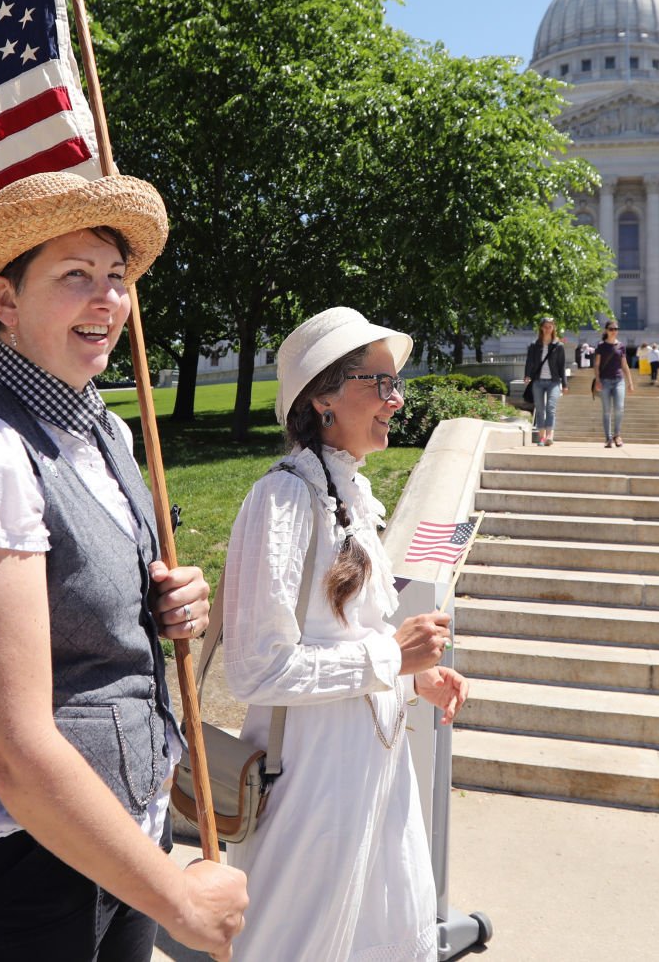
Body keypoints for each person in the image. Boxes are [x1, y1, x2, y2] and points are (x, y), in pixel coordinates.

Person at [0, 172, 247, 962]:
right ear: (4, 303)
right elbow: (5, 746)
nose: (107, 300)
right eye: (76, 276)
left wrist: (167, 604)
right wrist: (177, 899)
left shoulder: (102, 430)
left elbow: (85, 599)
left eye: (117, 279)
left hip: (113, 845)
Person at [220, 307, 469, 961]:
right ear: (323, 397)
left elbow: (344, 637)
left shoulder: (348, 496)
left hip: (373, 781)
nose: (398, 398)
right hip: (312, 789)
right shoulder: (282, 498)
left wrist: (416, 678)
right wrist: (392, 653)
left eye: (397, 383)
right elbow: (257, 669)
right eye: (379, 382)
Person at [524, 317, 567, 446]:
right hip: (538, 381)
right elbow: (529, 361)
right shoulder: (534, 345)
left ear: (553, 328)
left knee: (551, 408)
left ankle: (549, 436)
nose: (548, 329)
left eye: (550, 327)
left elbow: (562, 366)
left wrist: (564, 384)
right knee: (540, 409)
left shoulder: (559, 346)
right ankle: (541, 437)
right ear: (541, 328)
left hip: (553, 381)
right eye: (545, 327)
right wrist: (527, 375)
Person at [592, 320, 635, 448]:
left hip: (618, 381)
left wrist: (630, 382)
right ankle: (608, 438)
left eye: (616, 329)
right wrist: (598, 380)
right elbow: (597, 365)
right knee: (606, 411)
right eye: (611, 329)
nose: (614, 331)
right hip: (604, 381)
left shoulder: (621, 346)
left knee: (619, 408)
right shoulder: (601, 346)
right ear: (606, 330)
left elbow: (624, 364)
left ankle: (617, 435)